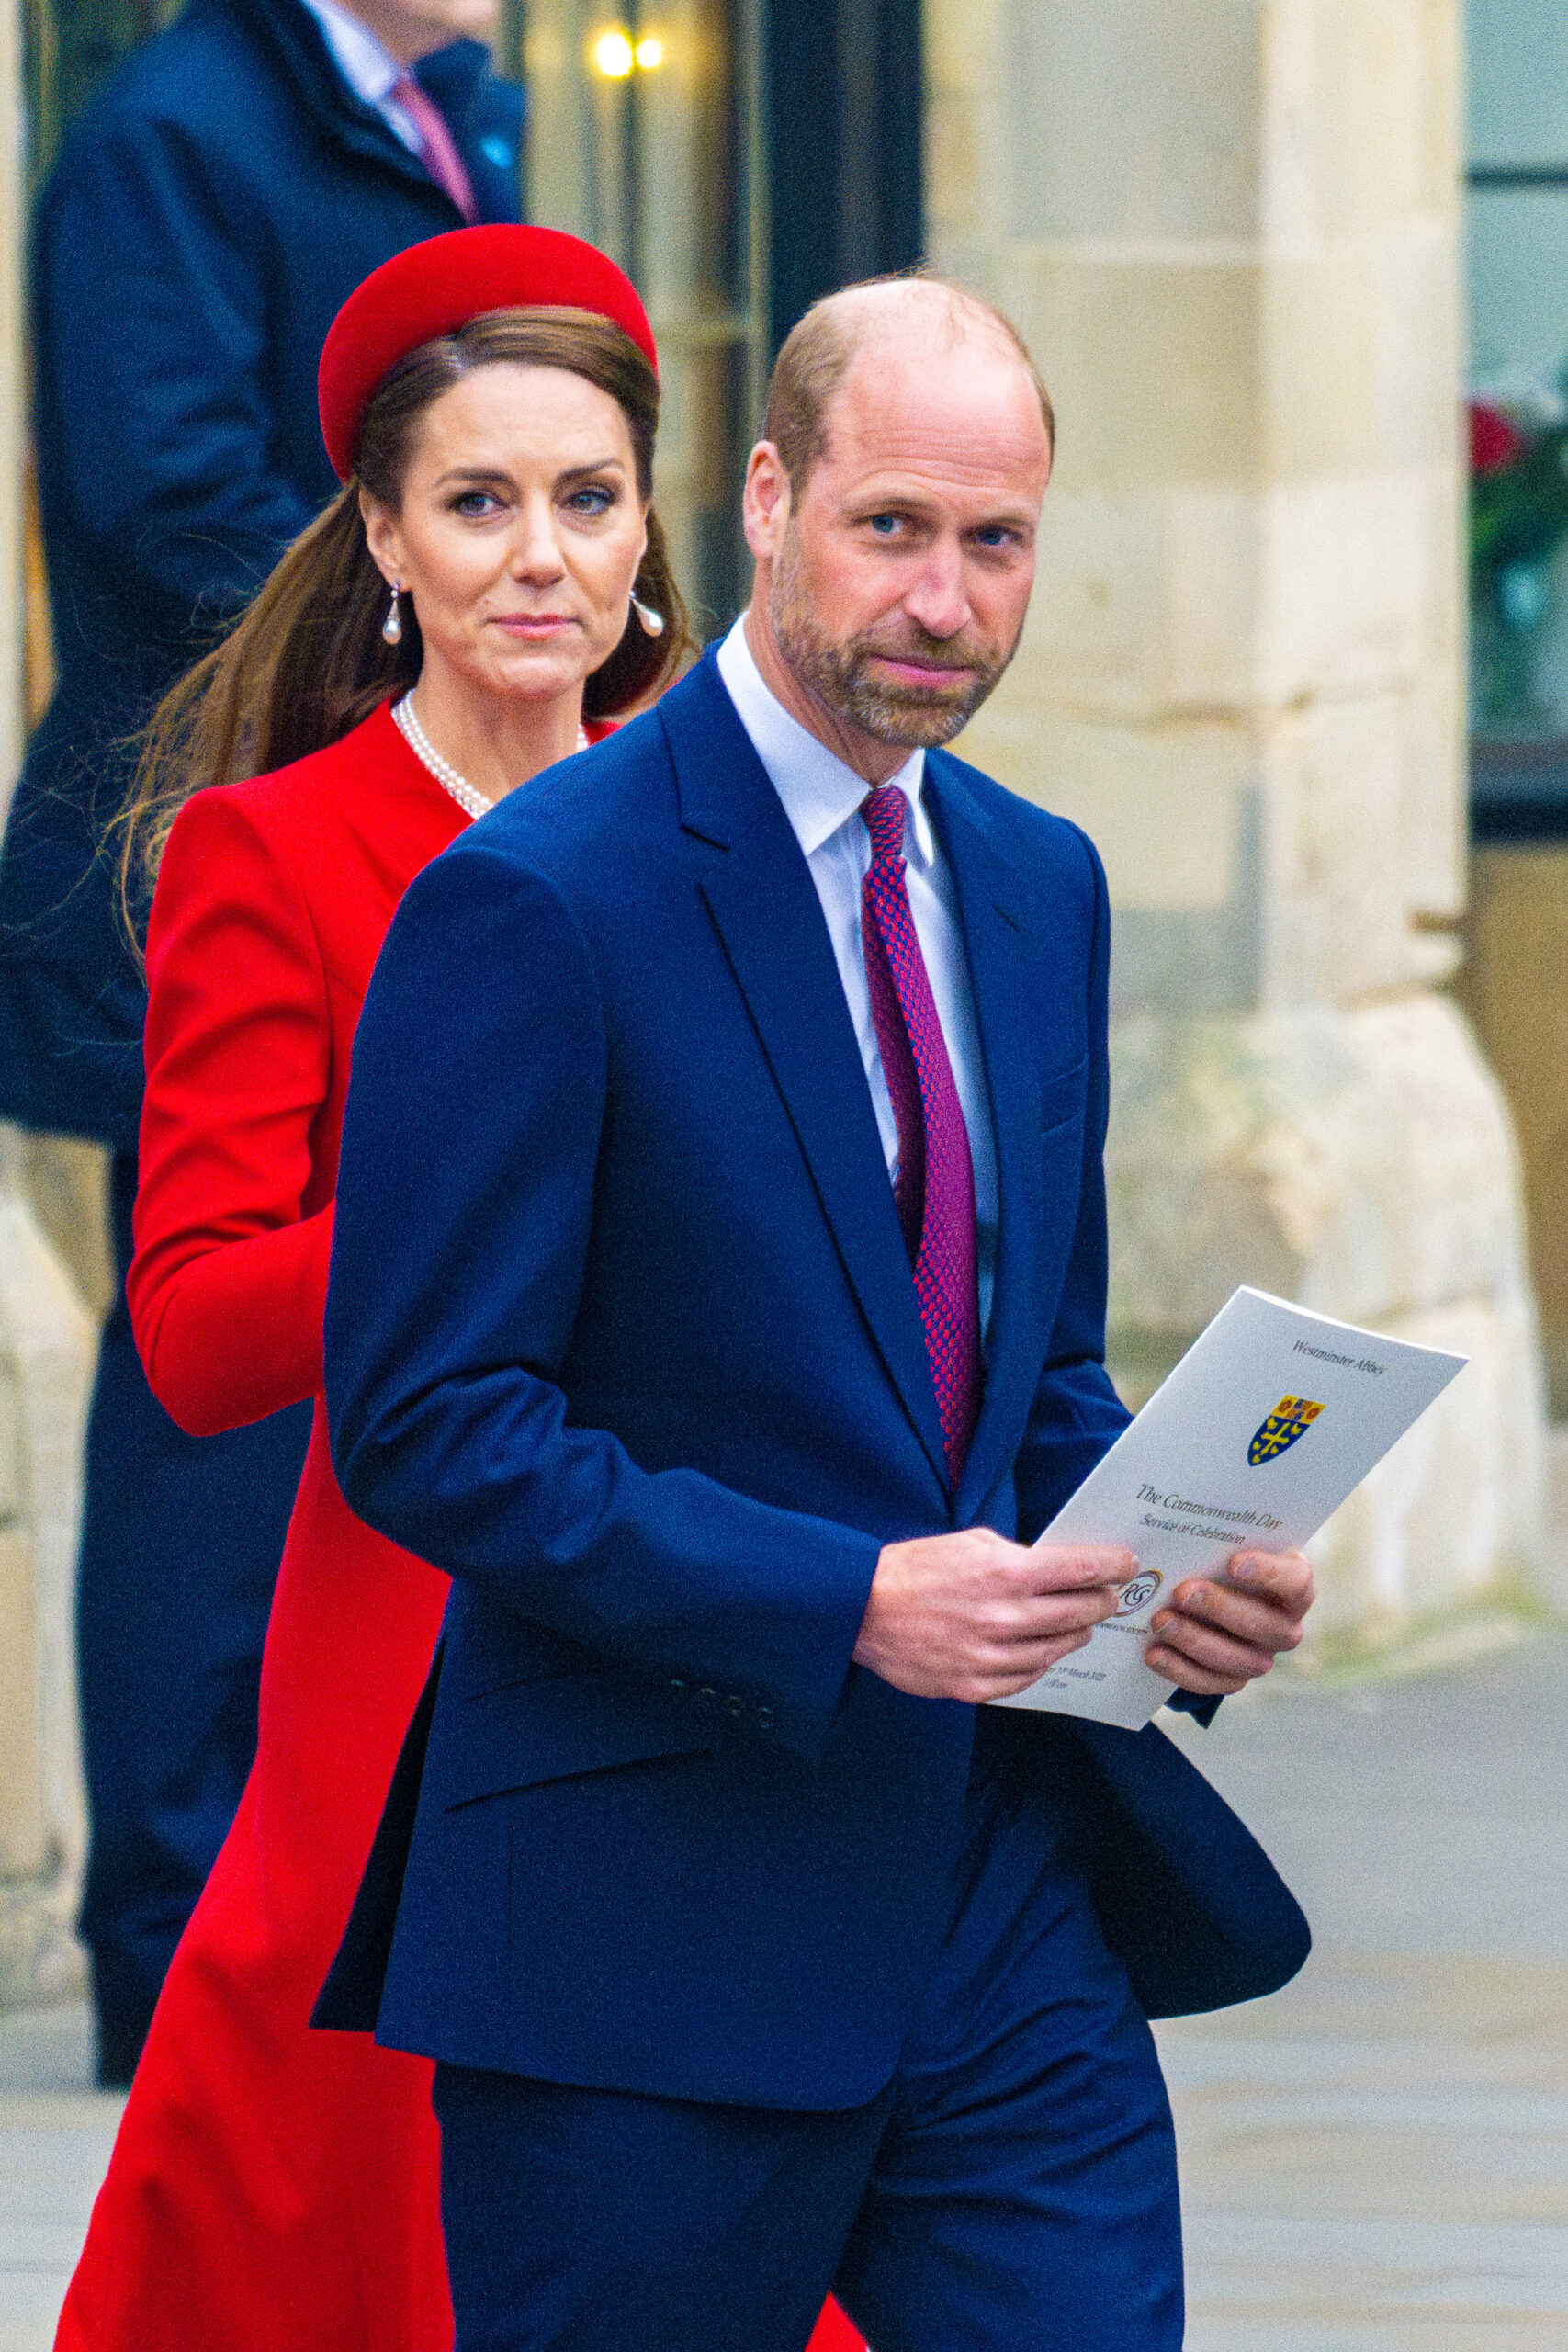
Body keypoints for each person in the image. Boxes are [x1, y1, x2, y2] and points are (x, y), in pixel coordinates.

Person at [317, 274, 1317, 2350]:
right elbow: (429, 1415)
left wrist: (1169, 1571)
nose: (942, 597)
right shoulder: (536, 895)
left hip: (1001, 1902)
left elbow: (1017, 1372)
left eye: (994, 540)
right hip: (639, 1931)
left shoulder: (1039, 883)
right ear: (767, 500)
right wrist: (841, 1594)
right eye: (889, 527)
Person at [51, 224, 687, 2352]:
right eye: (478, 502)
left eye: (585, 499)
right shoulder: (275, 850)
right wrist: (476, 1196)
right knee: (358, 2209)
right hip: (409, 1628)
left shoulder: (734, 832)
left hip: (715, 1587)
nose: (540, 557)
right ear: (385, 539)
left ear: (651, 535)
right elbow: (205, 1328)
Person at [0, 0, 523, 2083]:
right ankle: (177, 1938)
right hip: (209, 865)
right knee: (213, 1418)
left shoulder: (445, 114)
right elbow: (163, 499)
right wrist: (461, 638)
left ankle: (362, 1900)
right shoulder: (170, 136)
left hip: (428, 864)